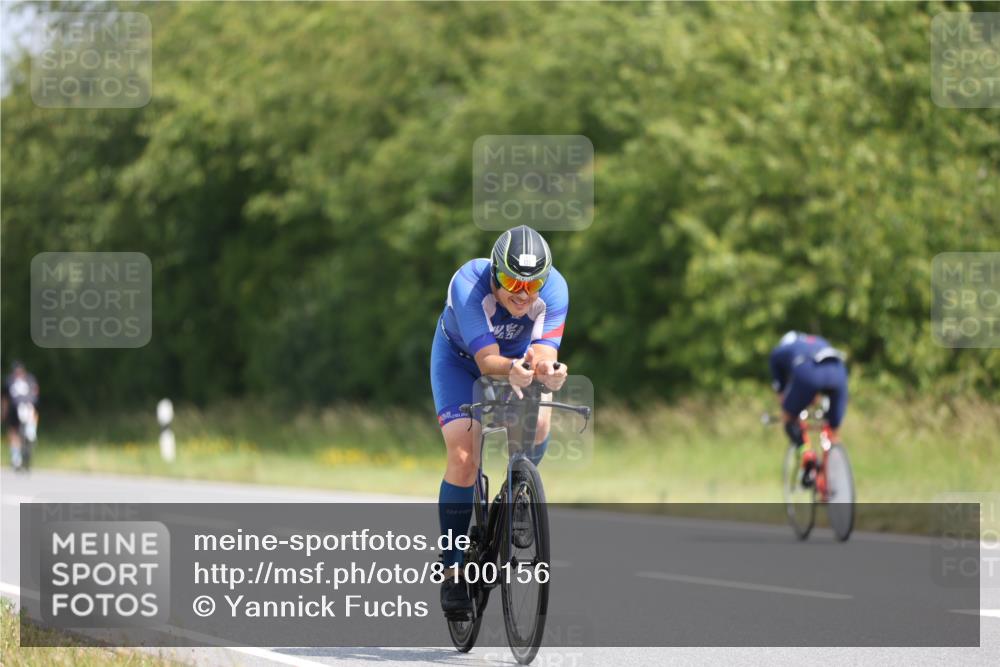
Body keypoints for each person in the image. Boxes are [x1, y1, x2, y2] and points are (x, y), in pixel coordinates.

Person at [430, 225, 569, 614]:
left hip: (516, 364)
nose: (523, 295)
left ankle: (516, 495)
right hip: (462, 364)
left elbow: (543, 352)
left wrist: (550, 370)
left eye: (533, 284)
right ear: (495, 272)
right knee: (463, 456)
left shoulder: (556, 290)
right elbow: (487, 362)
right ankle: (453, 568)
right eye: (511, 281)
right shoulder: (469, 283)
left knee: (538, 424)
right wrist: (513, 368)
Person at [769, 331, 847, 486]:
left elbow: (782, 391)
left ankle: (807, 454)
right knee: (833, 430)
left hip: (808, 373)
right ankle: (834, 473)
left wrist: (787, 407)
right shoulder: (819, 340)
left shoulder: (781, 350)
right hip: (839, 374)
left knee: (788, 418)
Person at [2, 361, 40, 470]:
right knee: (16, 430)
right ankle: (31, 433)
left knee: (13, 432)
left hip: (19, 407)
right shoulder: (29, 378)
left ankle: (16, 457)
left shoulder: (10, 380)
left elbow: (4, 398)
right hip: (26, 406)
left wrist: (4, 412)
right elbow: (36, 391)